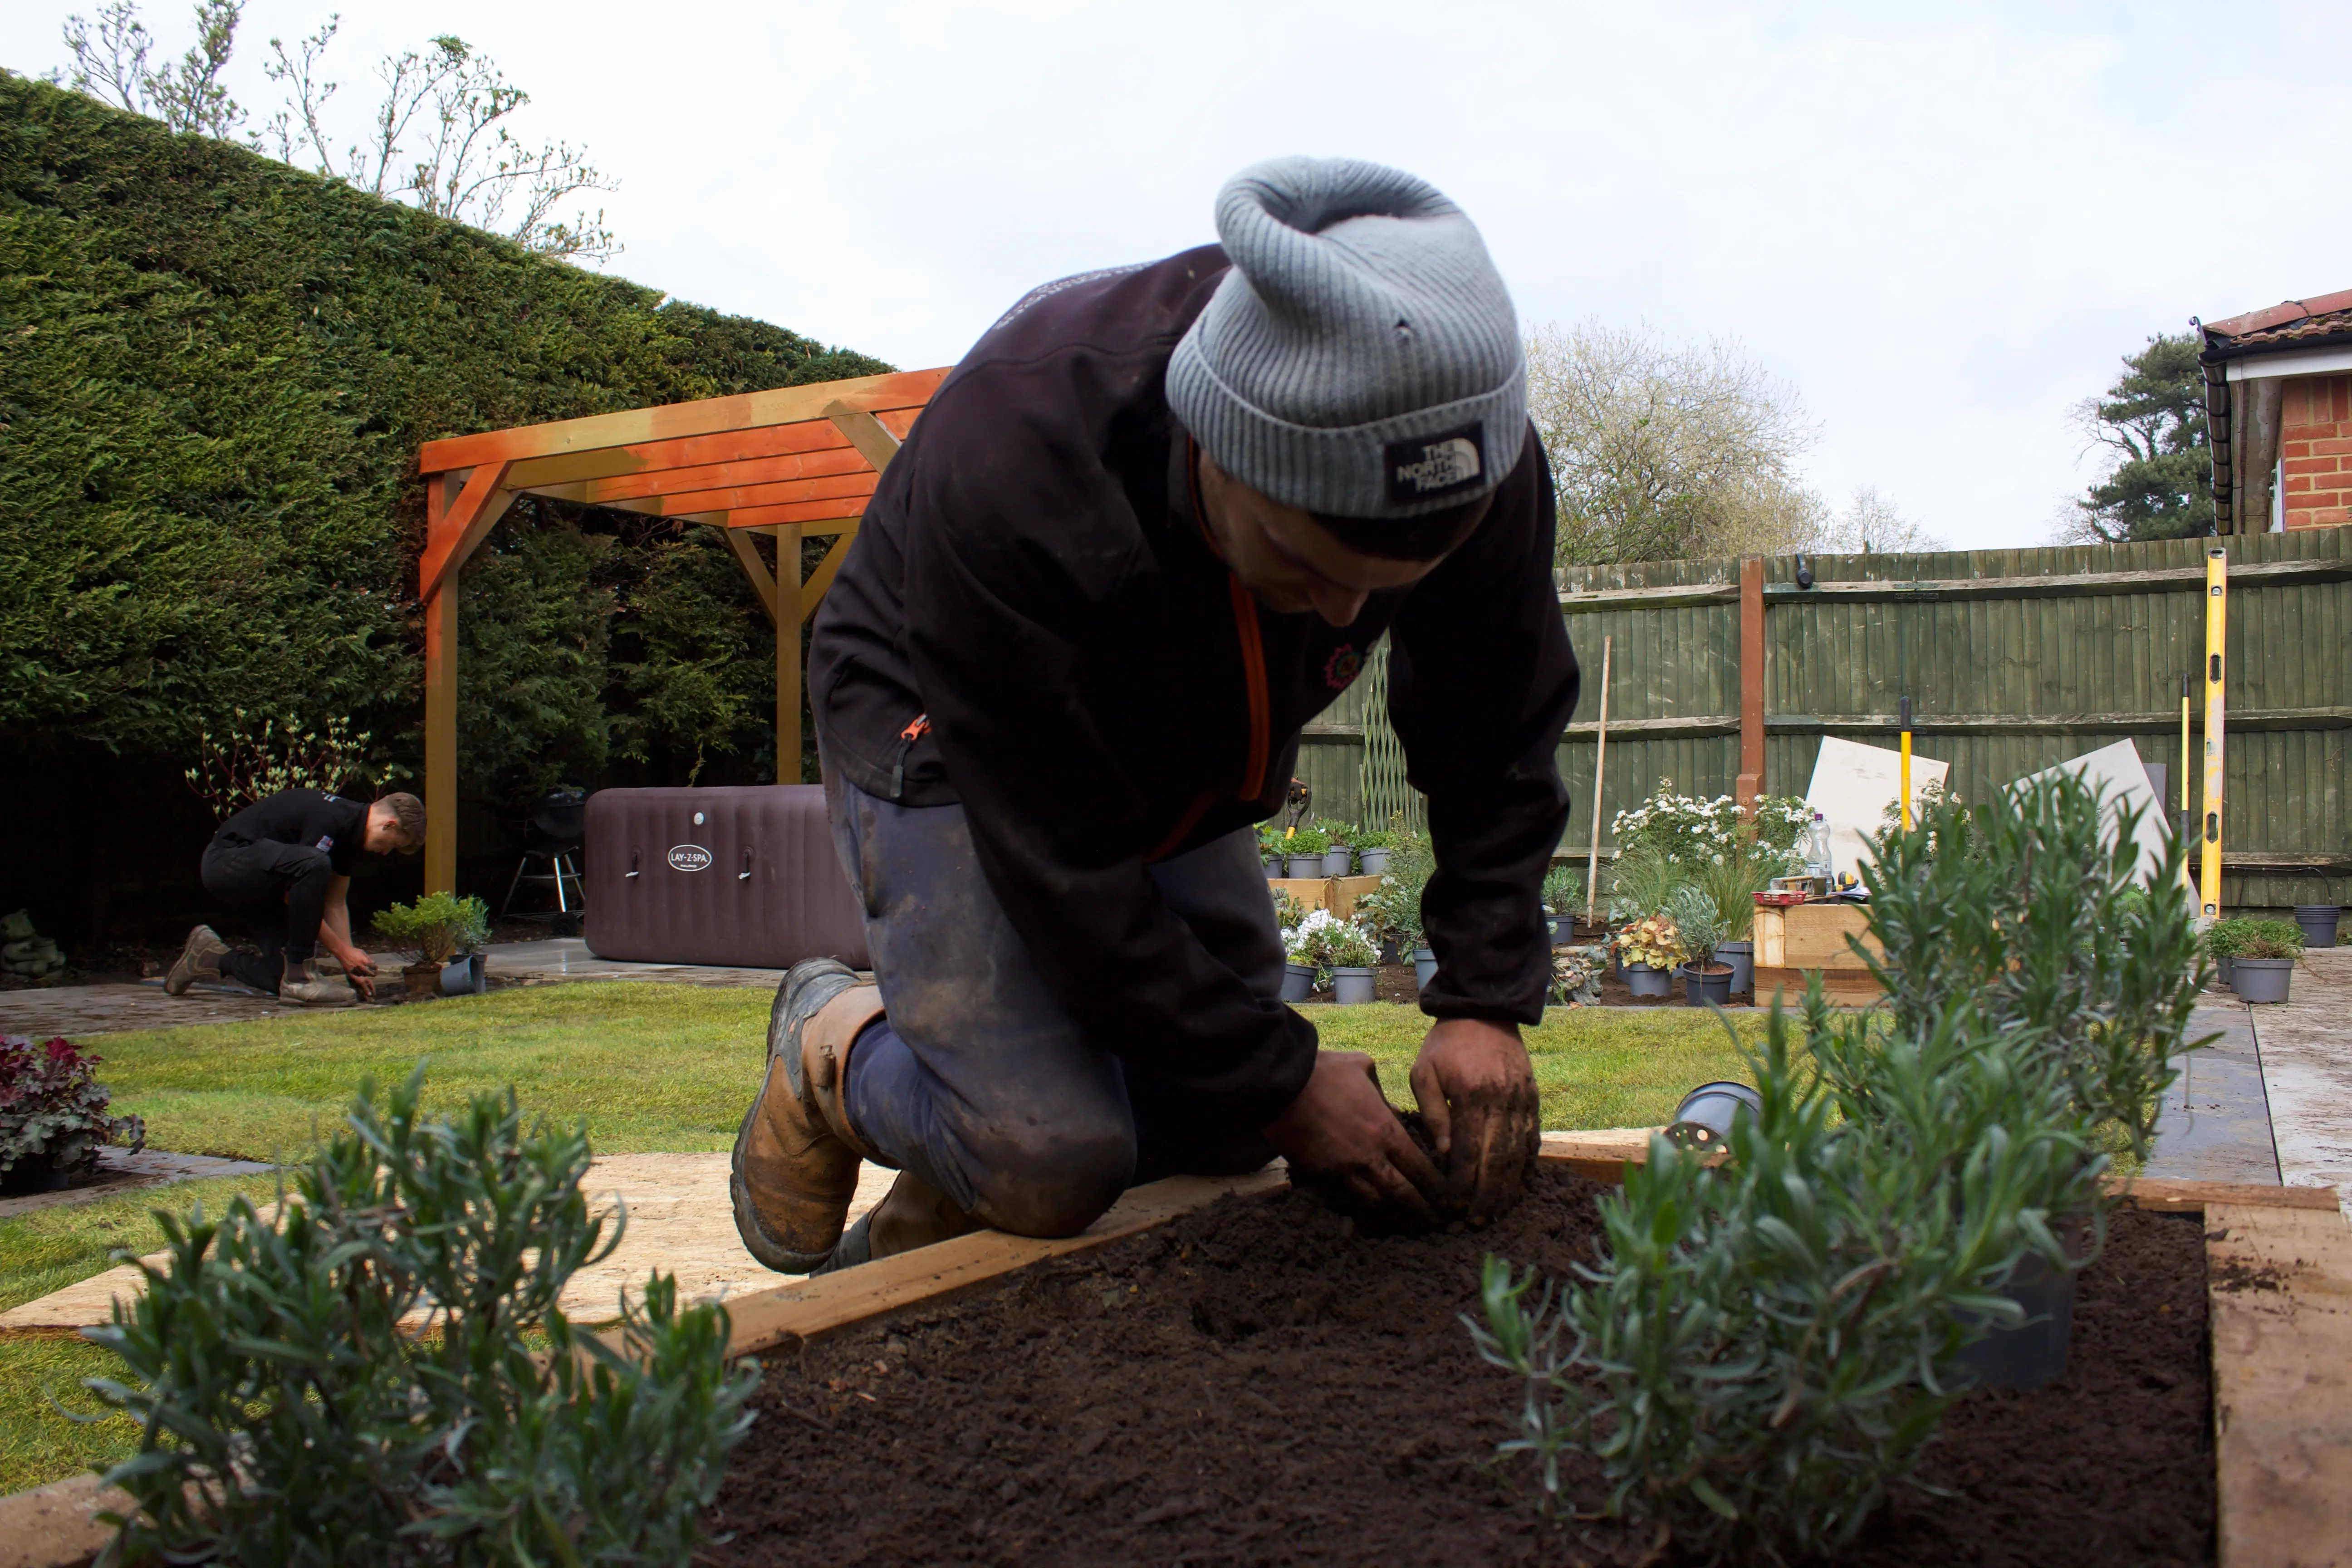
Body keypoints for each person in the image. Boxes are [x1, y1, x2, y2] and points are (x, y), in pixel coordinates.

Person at [731, 157, 1577, 1275]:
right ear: (1215, 441)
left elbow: (1495, 725)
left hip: (1176, 723)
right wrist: (1277, 1072)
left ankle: (949, 1208)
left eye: (1388, 585)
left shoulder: (1472, 459)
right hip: (941, 715)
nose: (1342, 614)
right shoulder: (1023, 451)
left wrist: (1482, 999)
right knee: (1052, 1155)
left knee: (1220, 1121)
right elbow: (1061, 858)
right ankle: (834, 1041)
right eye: (1302, 559)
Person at [164, 789, 425, 1004]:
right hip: (228, 862)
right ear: (389, 824)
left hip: (267, 885)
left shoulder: (350, 836)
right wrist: (343, 952)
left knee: (278, 975)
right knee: (314, 864)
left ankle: (209, 956)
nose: (385, 853)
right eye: (393, 845)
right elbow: (297, 889)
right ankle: (301, 978)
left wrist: (351, 966)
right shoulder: (329, 818)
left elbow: (335, 903)